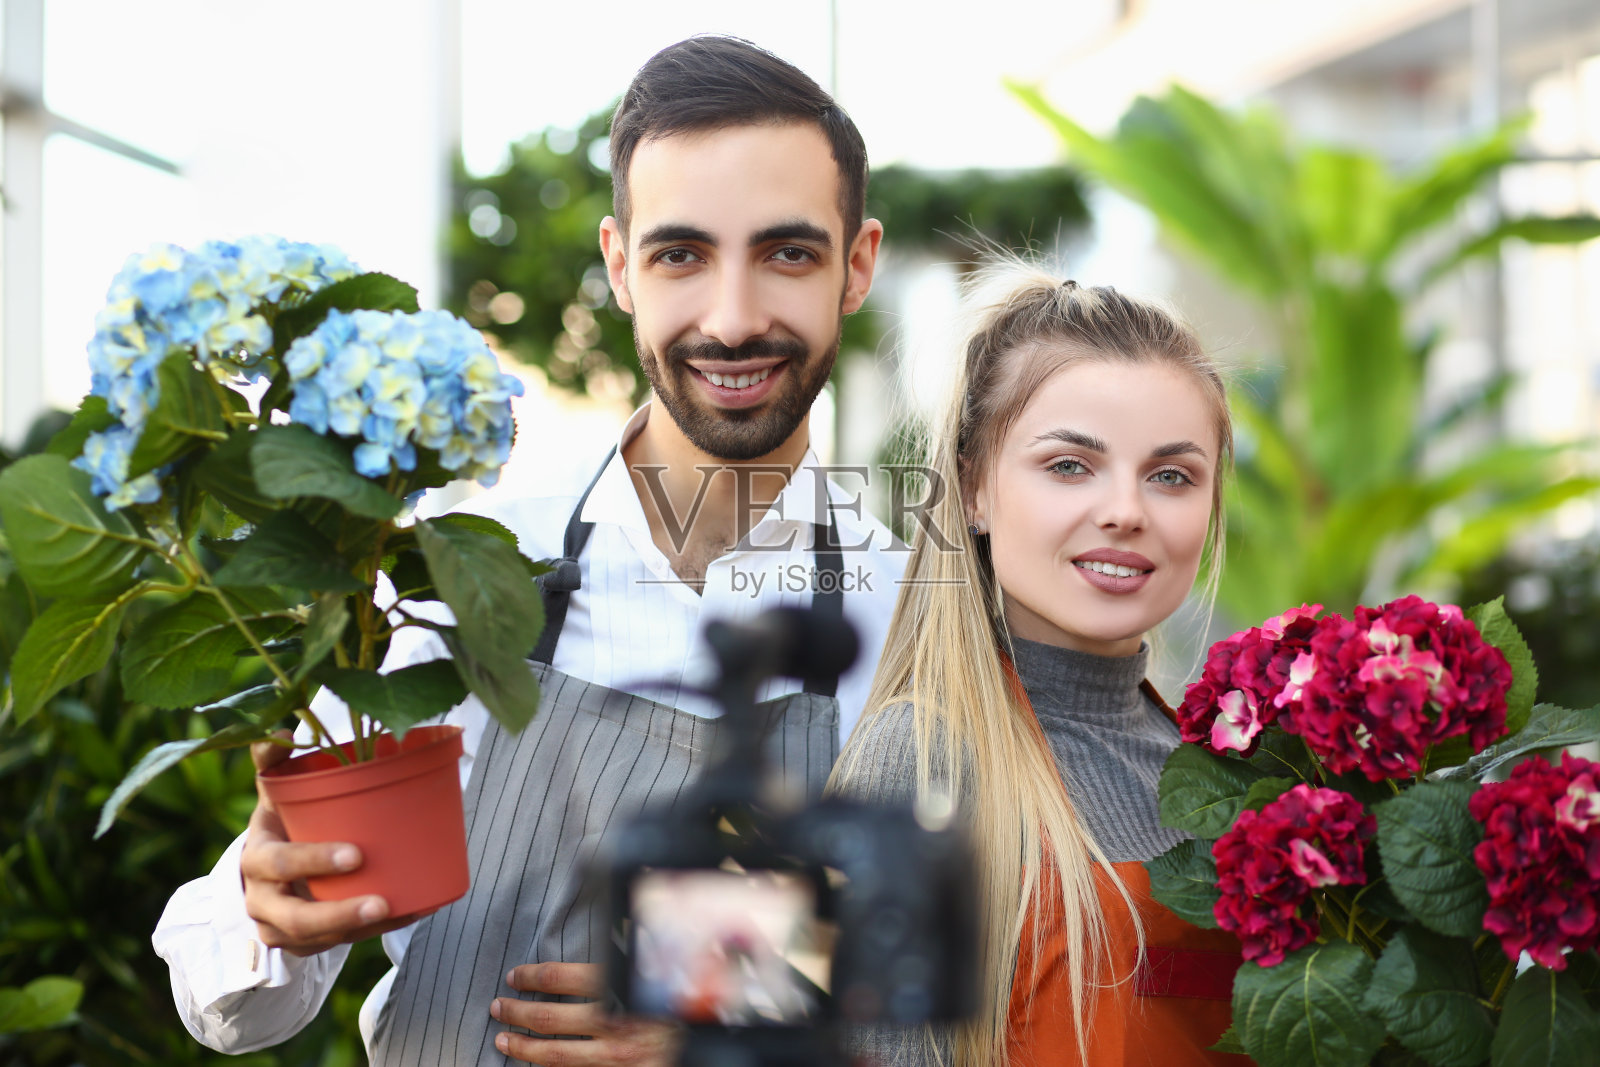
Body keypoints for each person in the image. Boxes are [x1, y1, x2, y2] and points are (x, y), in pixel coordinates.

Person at [153, 35, 903, 1066]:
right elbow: (237, 1009)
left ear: (856, 265)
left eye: (786, 253)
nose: (732, 319)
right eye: (680, 255)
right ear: (620, 266)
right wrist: (265, 904)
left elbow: (952, 977)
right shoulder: (457, 567)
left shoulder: (909, 613)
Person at [831, 259, 1249, 1065]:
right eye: (1069, 465)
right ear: (973, 489)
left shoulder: (1237, 775)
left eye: (1171, 475)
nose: (1125, 511)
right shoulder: (920, 763)